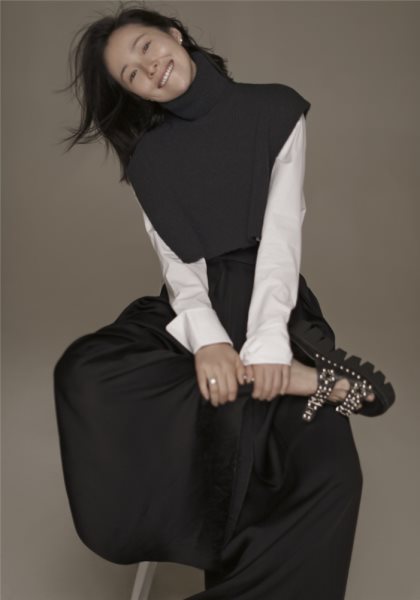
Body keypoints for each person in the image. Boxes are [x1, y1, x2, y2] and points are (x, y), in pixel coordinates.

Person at [53, 4, 395, 598]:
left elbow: (282, 237)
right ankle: (311, 382)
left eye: (145, 48)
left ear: (173, 34)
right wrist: (209, 341)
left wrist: (267, 341)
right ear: (134, 95)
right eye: (131, 75)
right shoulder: (149, 159)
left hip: (273, 303)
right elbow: (178, 265)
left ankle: (297, 374)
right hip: (194, 308)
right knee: (84, 371)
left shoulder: (275, 109)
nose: (148, 69)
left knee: (331, 478)